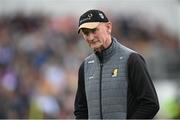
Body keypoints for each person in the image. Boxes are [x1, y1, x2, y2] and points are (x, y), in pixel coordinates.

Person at [74, 9, 159, 119]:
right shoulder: (85, 66)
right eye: (86, 33)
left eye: (94, 30)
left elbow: (151, 104)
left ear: (108, 27)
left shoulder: (132, 59)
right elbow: (81, 110)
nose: (90, 37)